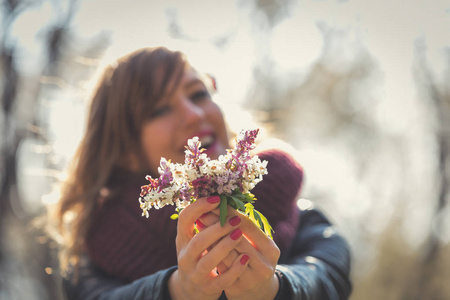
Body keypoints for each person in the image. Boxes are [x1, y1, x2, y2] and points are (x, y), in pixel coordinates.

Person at [52, 46, 352, 300]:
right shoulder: (97, 249)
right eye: (158, 110)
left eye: (197, 94)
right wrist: (176, 290)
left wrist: (275, 288)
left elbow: (330, 271)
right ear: (124, 149)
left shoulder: (296, 213)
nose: (194, 115)